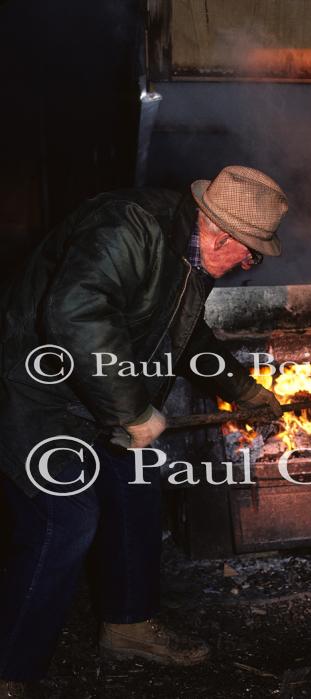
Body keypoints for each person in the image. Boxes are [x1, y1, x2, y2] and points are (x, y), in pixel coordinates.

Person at [0, 165, 288, 696]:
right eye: (250, 251)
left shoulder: (190, 254)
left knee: (136, 490)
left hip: (102, 394)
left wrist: (245, 391)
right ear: (221, 233)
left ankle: (128, 626)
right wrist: (131, 412)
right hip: (37, 392)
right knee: (64, 521)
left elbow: (187, 334)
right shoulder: (128, 227)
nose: (250, 263)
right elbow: (74, 312)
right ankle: (11, 668)